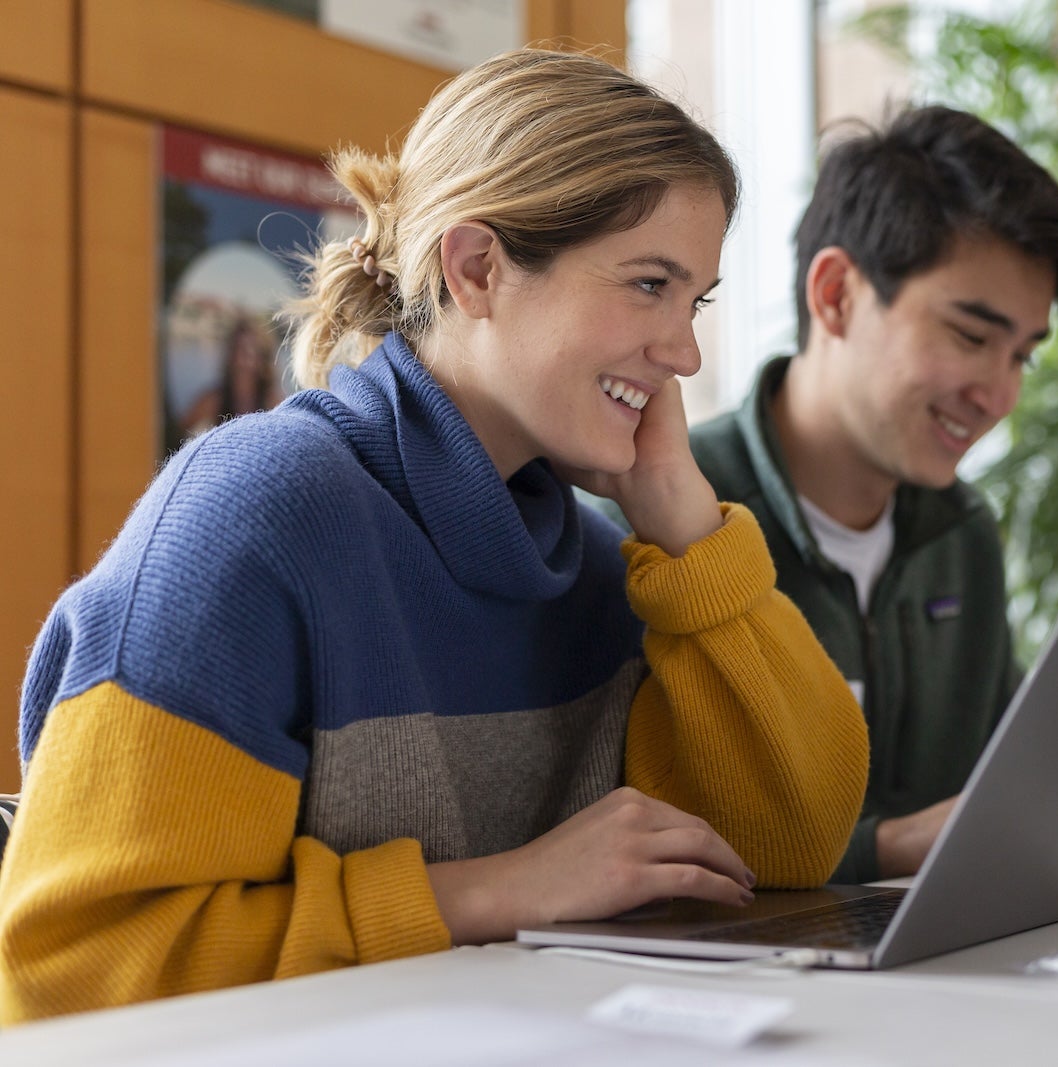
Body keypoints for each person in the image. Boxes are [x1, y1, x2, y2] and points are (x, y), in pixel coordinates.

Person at [0, 49, 869, 1023]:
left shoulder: (591, 562)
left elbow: (790, 847)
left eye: (694, 300)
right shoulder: (253, 516)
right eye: (648, 284)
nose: (685, 350)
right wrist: (491, 891)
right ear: (477, 267)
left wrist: (689, 529)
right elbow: (68, 967)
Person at [689, 106, 1058, 883]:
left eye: (1021, 354)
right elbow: (642, 836)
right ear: (837, 295)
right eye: (971, 337)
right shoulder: (672, 520)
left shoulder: (960, 533)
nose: (999, 393)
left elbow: (1004, 778)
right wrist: (889, 846)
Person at [179, 316, 288, 436]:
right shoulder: (214, 399)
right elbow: (180, 431)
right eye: (238, 349)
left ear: (261, 357)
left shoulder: (272, 401)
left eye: (250, 351)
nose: (243, 358)